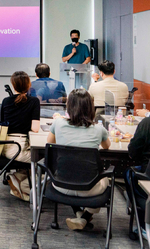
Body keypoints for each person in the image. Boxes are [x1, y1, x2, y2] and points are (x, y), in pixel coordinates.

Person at [47, 88, 111, 231]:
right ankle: (85, 216)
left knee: (71, 171)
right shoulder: (99, 129)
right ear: (90, 107)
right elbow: (107, 146)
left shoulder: (57, 124)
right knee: (106, 178)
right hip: (90, 187)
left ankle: (80, 215)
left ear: (68, 107)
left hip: (61, 184)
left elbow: (50, 143)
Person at [1, 71, 41, 201]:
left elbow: (2, 125)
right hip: (18, 149)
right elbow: (35, 128)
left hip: (4, 146)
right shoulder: (33, 101)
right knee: (46, 160)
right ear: (29, 85)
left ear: (13, 86)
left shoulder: (6, 101)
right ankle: (22, 184)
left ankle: (19, 178)